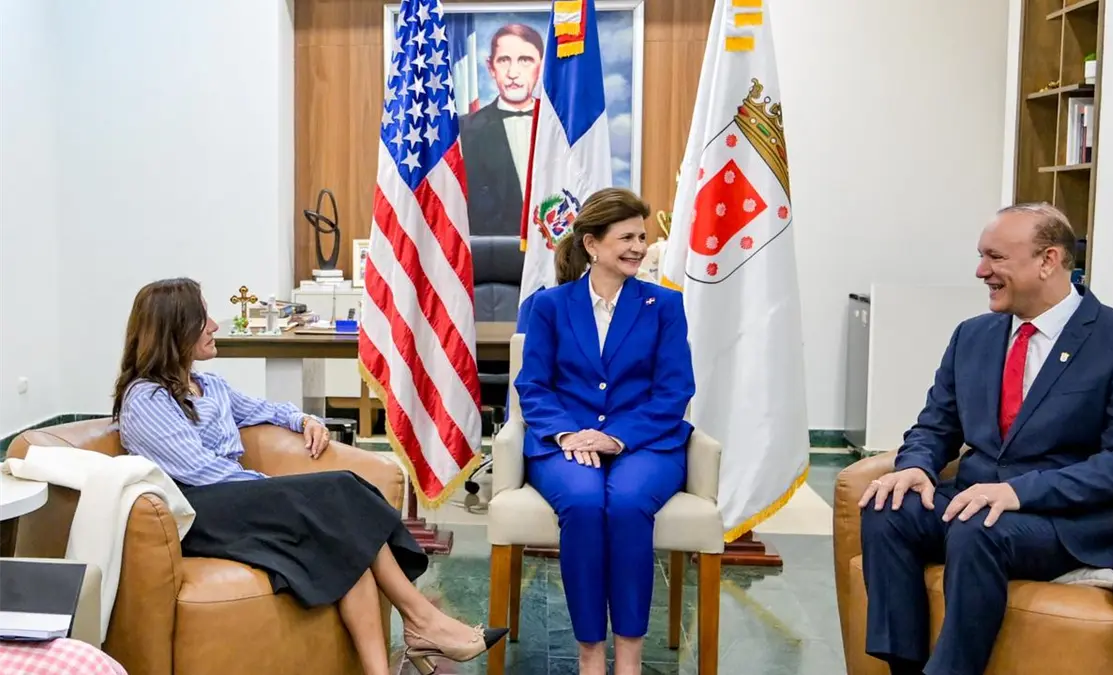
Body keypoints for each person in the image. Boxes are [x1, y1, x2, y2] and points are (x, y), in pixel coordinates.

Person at [111, 278, 506, 675]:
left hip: (238, 501)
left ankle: (386, 663)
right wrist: (280, 492)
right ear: (174, 331)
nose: (214, 324)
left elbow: (265, 410)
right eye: (202, 318)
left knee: (348, 549)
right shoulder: (146, 398)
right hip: (200, 511)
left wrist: (304, 419)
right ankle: (422, 621)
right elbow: (200, 473)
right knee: (339, 489)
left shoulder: (209, 385)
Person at [857, 203, 1113, 675]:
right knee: (887, 509)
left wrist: (1016, 493)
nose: (982, 271)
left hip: (1064, 520)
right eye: (982, 256)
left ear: (1048, 260)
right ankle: (904, 665)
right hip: (976, 503)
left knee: (977, 526)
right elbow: (934, 426)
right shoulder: (972, 336)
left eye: (996, 258)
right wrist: (916, 466)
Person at [513, 188, 694, 675]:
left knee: (630, 504)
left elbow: (674, 391)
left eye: (642, 237)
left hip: (647, 442)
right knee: (585, 504)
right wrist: (569, 435)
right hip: (565, 442)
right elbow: (533, 385)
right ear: (592, 244)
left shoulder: (665, 306)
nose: (638, 247)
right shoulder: (549, 306)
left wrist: (616, 437)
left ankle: (630, 656)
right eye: (627, 237)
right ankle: (591, 652)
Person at [459, 23, 543, 236]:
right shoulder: (464, 130)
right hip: (487, 255)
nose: (513, 73)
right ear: (491, 67)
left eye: (525, 60)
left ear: (541, 66)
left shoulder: (562, 127)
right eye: (504, 60)